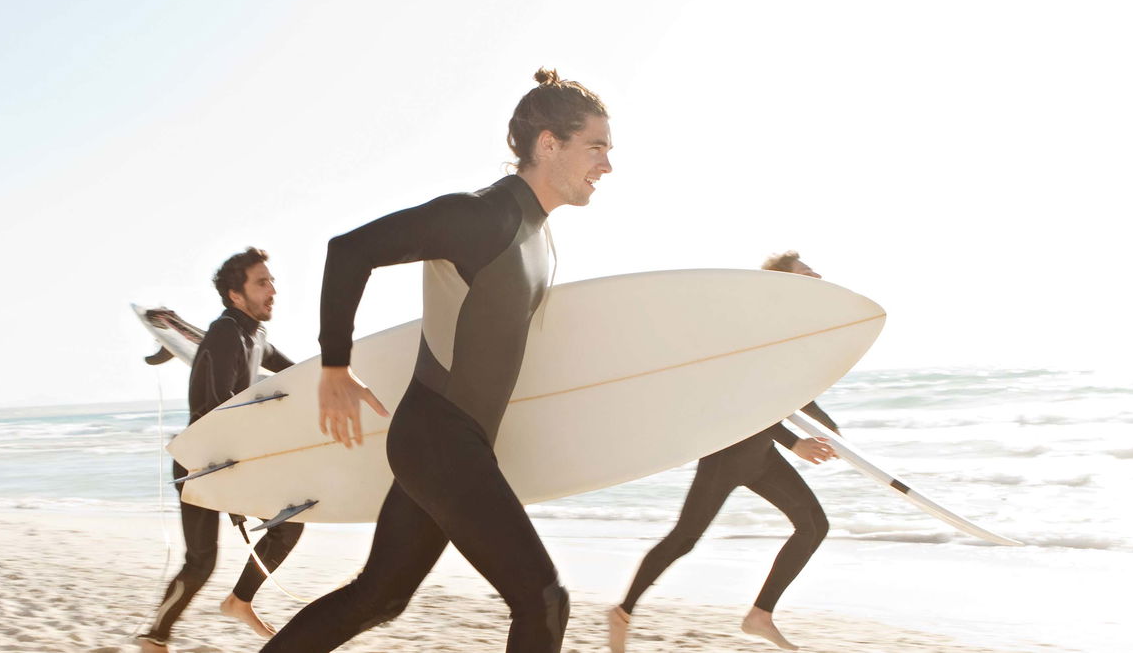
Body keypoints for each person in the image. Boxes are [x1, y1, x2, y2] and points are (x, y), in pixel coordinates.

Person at [262, 68, 613, 653]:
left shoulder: (538, 231)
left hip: (454, 442)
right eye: (596, 147)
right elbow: (349, 250)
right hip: (439, 438)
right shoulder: (485, 216)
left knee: (380, 597)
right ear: (549, 144)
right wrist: (334, 366)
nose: (606, 165)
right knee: (544, 598)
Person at [607, 251, 840, 652]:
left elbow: (793, 395)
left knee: (814, 524)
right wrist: (795, 442)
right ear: (783, 284)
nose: (816, 273)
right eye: (805, 271)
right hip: (729, 451)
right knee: (685, 539)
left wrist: (830, 428)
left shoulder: (794, 336)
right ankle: (623, 611)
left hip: (760, 454)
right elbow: (747, 400)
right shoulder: (760, 332)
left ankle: (760, 616)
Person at [139, 248, 304, 652]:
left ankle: (237, 601)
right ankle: (155, 637)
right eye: (261, 282)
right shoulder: (226, 331)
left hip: (227, 458)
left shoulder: (256, 334)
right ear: (236, 294)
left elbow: (298, 372)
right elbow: (217, 406)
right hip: (202, 461)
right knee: (203, 560)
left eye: (272, 281)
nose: (273, 290)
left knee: (288, 523)